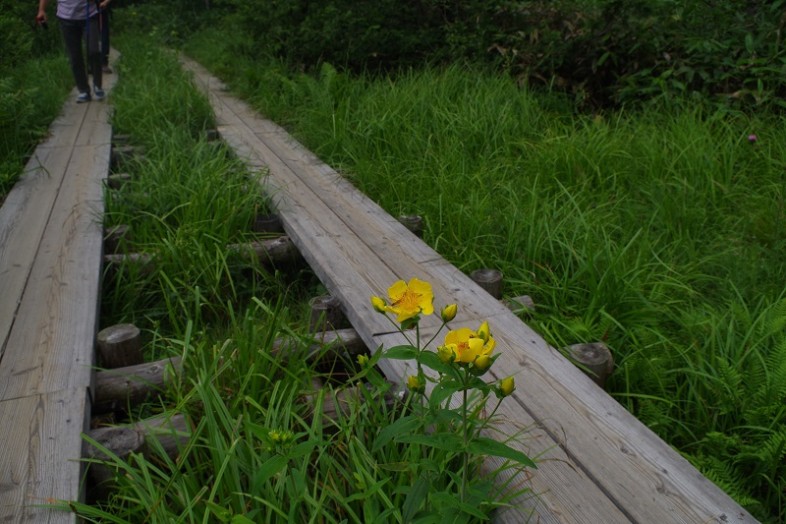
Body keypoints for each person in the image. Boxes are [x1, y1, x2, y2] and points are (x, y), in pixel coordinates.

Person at [36, 0, 111, 103]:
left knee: (93, 51)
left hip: (89, 16)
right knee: (75, 56)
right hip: (66, 18)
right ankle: (84, 90)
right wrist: (41, 10)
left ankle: (97, 85)